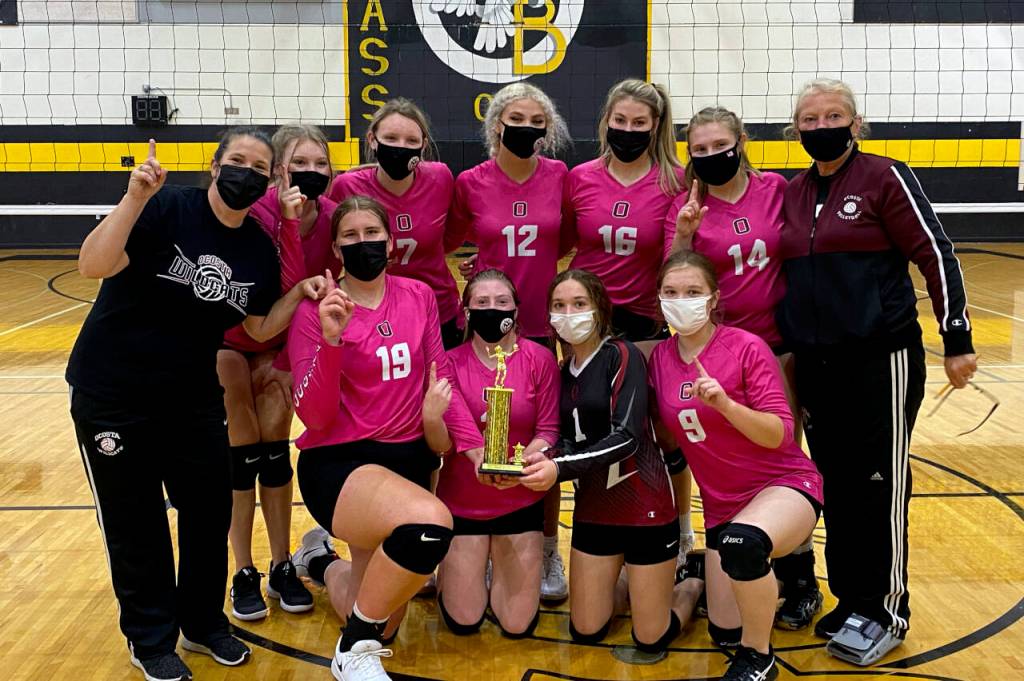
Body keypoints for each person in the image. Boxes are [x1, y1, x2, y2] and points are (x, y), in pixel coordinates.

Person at [67, 128, 326, 681]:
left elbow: (257, 326)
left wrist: (297, 294)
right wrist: (134, 198)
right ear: (214, 166)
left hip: (191, 399)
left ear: (269, 182)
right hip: (113, 394)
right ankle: (150, 639)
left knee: (209, 513)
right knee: (137, 522)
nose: (246, 174)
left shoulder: (256, 248)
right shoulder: (167, 207)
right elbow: (92, 264)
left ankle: (203, 623)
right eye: (237, 161)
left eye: (259, 169)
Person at [777, 78, 976, 665]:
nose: (822, 127)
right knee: (835, 485)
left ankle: (886, 609)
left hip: (879, 358)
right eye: (810, 119)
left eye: (833, 115)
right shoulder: (793, 193)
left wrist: (957, 336)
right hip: (816, 363)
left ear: (856, 124)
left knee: (879, 484)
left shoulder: (885, 177)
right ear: (795, 130)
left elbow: (935, 252)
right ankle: (851, 600)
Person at [287, 195, 484, 681]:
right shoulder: (317, 310)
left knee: (382, 616)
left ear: (391, 242)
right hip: (342, 463)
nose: (364, 244)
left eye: (372, 234)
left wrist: (477, 451)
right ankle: (353, 650)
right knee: (429, 527)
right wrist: (332, 340)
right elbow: (314, 415)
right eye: (350, 236)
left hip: (408, 460)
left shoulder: (418, 295)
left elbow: (442, 380)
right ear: (336, 249)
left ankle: (318, 562)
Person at [664, 106, 822, 630]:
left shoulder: (776, 190)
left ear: (742, 142)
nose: (711, 155)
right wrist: (685, 232)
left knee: (780, 454)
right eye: (700, 149)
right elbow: (674, 273)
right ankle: (725, 554)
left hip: (776, 345)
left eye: (720, 145)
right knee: (725, 450)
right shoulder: (688, 205)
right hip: (717, 349)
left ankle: (800, 578)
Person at [649, 250, 823, 681]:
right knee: (725, 628)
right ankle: (751, 579)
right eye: (671, 292)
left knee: (744, 545)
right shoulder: (661, 359)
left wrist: (726, 406)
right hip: (722, 507)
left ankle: (759, 658)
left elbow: (778, 434)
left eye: (693, 291)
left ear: (713, 299)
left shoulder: (746, 347)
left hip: (783, 486)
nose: (681, 301)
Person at [516, 269, 702, 657]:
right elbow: (566, 438)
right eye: (559, 306)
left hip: (645, 508)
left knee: (650, 638)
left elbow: (627, 437)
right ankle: (633, 579)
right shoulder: (562, 371)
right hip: (594, 511)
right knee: (586, 630)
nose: (569, 313)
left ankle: (694, 583)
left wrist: (558, 468)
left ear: (599, 308)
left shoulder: (622, 355)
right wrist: (539, 457)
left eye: (579, 304)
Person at [449, 81, 573, 601]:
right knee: (477, 433)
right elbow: (450, 239)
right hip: (484, 322)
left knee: (542, 440)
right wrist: (476, 274)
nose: (525, 128)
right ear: (496, 124)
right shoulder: (471, 182)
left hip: (539, 325)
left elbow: (567, 239)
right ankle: (476, 541)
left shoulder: (560, 176)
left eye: (535, 122)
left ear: (547, 129)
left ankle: (547, 546)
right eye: (515, 120)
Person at [218, 123, 338, 621]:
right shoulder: (257, 211)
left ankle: (282, 563)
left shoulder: (331, 217)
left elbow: (303, 292)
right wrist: (287, 219)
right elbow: (280, 284)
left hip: (280, 341)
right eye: (299, 163)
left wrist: (292, 360)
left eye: (320, 163)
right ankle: (242, 570)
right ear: (279, 170)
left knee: (274, 451)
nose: (311, 171)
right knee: (241, 451)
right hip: (230, 337)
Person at [432, 269, 561, 637]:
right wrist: (480, 460)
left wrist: (517, 465)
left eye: (502, 302)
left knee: (517, 624)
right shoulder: (448, 362)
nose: (492, 309)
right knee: (463, 620)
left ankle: (499, 562)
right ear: (466, 312)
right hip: (462, 504)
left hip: (519, 502)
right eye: (482, 302)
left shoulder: (540, 359)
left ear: (516, 311)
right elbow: (450, 438)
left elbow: (548, 430)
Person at [329, 98, 463, 349]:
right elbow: (332, 247)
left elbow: (452, 237)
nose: (401, 147)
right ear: (372, 140)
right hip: (372, 312)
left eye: (411, 141)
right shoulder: (347, 187)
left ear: (423, 145)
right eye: (391, 138)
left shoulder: (440, 177)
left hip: (437, 308)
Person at [564, 78, 684, 352]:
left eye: (639, 123)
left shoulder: (675, 182)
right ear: (607, 119)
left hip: (644, 317)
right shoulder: (580, 177)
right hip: (585, 312)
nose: (628, 130)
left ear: (655, 125)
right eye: (620, 120)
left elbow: (678, 259)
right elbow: (559, 243)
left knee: (639, 381)